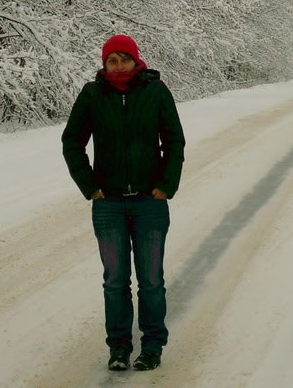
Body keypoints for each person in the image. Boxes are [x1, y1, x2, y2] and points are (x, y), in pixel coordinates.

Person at [62, 34, 185, 372]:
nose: (118, 66)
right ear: (104, 64)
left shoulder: (155, 91)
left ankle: (152, 346)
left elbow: (174, 140)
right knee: (115, 281)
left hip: (150, 203)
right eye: (112, 60)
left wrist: (166, 185)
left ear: (136, 61)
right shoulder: (92, 95)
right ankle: (118, 348)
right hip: (108, 205)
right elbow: (72, 141)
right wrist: (90, 187)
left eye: (124, 59)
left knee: (151, 280)